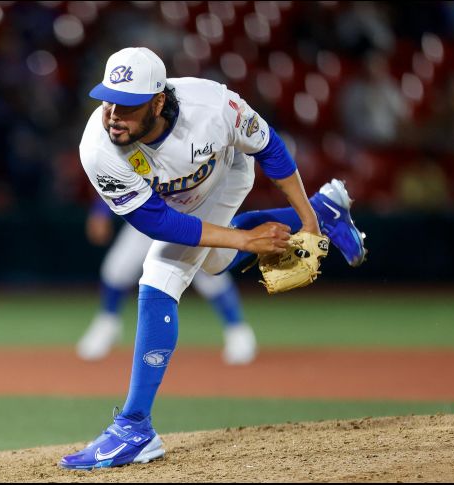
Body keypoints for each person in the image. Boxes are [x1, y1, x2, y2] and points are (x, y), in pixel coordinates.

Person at [60, 47, 366, 470]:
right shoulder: (98, 148)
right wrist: (243, 240)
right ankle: (330, 209)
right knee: (214, 264)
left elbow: (270, 149)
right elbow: (160, 224)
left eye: (128, 105)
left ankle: (134, 426)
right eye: (109, 99)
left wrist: (307, 223)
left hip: (224, 174)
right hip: (168, 206)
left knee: (159, 277)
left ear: (159, 101)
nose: (114, 114)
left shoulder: (213, 106)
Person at [78, 196, 257, 365]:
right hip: (149, 213)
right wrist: (101, 211)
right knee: (117, 269)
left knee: (209, 274)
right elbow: (114, 172)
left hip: (189, 214)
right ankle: (107, 325)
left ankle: (237, 331)